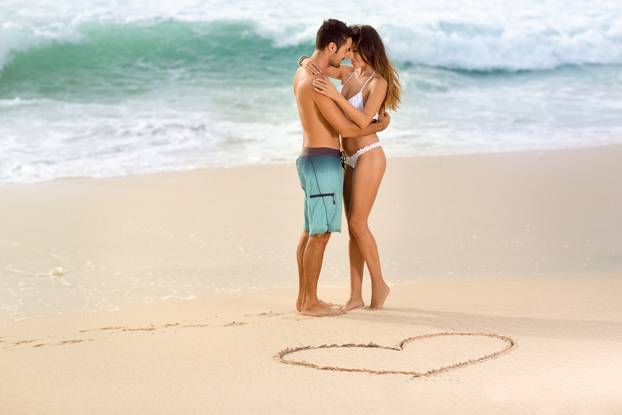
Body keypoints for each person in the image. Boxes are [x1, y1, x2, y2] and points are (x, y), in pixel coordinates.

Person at [299, 24, 401, 310]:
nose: (350, 57)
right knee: (354, 228)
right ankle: (356, 295)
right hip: (348, 156)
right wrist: (304, 60)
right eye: (349, 51)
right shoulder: (349, 74)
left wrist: (334, 96)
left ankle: (379, 284)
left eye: (355, 52)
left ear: (369, 49)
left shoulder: (377, 82)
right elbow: (318, 66)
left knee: (358, 223)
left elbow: (361, 120)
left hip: (369, 153)